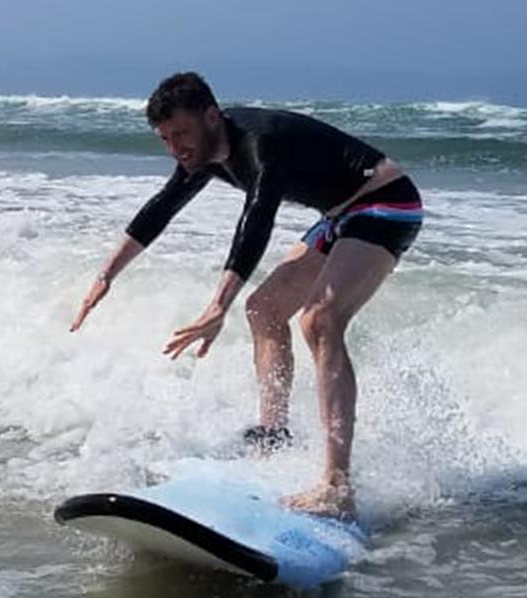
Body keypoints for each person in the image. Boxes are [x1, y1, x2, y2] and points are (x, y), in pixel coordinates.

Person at [68, 72, 422, 518]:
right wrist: (106, 276)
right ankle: (273, 437)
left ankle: (337, 486)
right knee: (264, 310)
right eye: (164, 138)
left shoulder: (259, 144)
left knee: (320, 321)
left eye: (180, 134)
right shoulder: (204, 152)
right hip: (339, 215)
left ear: (212, 116)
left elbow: (256, 220)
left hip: (386, 203)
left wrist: (217, 306)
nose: (175, 148)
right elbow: (163, 207)